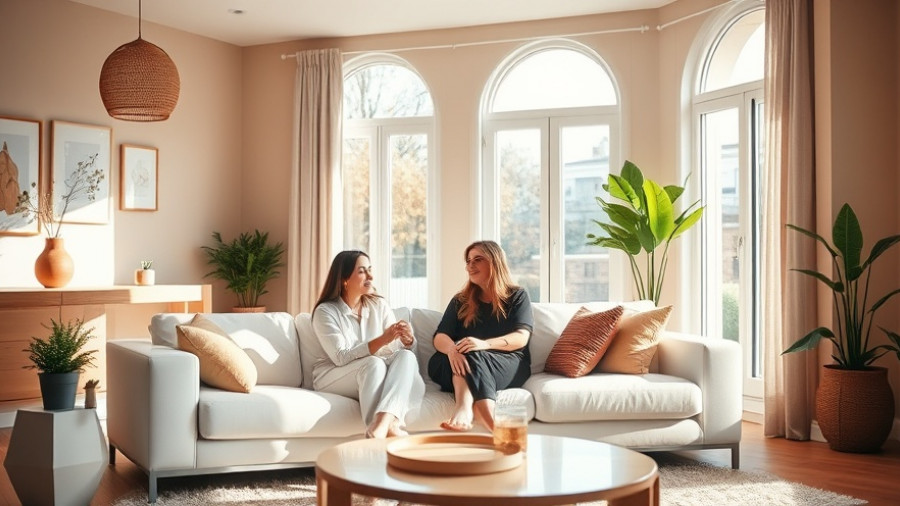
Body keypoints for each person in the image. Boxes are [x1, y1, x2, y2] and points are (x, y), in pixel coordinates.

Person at [311, 250, 425, 438]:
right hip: (333, 375)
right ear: (344, 279)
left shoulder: (379, 305)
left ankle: (381, 424)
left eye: (370, 269)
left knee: (406, 356)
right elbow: (340, 357)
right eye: (362, 271)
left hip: (372, 370)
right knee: (373, 363)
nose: (371, 276)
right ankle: (387, 427)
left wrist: (407, 341)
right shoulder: (325, 312)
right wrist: (383, 339)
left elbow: (392, 352)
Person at [428, 240, 534, 432]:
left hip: (507, 362)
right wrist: (453, 350)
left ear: (494, 262)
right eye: (468, 261)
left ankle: (476, 415)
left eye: (478, 260)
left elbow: (521, 338)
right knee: (458, 352)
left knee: (471, 351)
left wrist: (484, 344)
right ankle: (472, 410)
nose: (470, 266)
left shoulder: (517, 296)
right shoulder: (460, 300)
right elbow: (440, 337)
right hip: (459, 361)